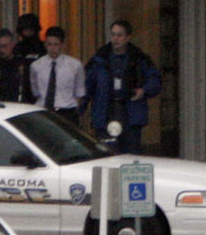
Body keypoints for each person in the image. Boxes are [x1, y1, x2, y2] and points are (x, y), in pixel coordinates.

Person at [82, 20, 161, 154]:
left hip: (130, 112)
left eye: (119, 35)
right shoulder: (99, 59)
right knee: (106, 154)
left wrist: (144, 91)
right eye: (113, 35)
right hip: (105, 112)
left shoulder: (139, 58)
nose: (115, 39)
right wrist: (81, 108)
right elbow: (87, 85)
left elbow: (155, 80)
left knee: (130, 155)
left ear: (128, 37)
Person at [30, 26, 85, 125]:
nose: (52, 48)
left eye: (56, 44)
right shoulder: (36, 66)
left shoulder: (75, 65)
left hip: (67, 111)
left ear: (62, 45)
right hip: (44, 110)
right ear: (45, 44)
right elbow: (36, 91)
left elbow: (79, 91)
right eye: (49, 44)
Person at [13, 13, 46, 104]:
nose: (28, 33)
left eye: (30, 30)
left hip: (39, 92)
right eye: (25, 30)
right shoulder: (17, 49)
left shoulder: (42, 48)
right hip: (20, 91)